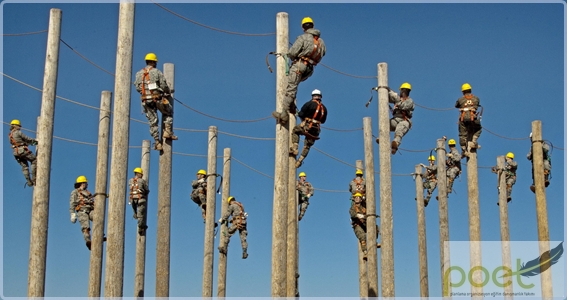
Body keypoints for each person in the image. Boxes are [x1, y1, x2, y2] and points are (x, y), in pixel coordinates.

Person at [272, 17, 326, 125]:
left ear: (303, 27)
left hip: (299, 66)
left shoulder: (303, 38)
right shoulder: (321, 42)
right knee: (294, 85)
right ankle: (291, 105)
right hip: (310, 70)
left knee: (290, 87)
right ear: (312, 26)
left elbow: (292, 53)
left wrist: (289, 56)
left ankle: (283, 113)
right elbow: (323, 53)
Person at [134, 52, 177, 151]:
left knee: (153, 122)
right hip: (157, 98)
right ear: (153, 62)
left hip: (145, 100)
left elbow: (137, 87)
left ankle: (157, 142)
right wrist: (167, 92)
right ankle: (167, 131)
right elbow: (163, 85)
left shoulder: (138, 74)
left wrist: (146, 92)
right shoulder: (156, 72)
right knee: (168, 111)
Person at [290, 89, 328, 168]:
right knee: (307, 146)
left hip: (307, 126)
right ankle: (300, 160)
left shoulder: (309, 104)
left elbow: (301, 114)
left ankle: (295, 148)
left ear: (313, 96)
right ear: (320, 97)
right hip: (316, 130)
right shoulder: (324, 108)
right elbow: (323, 121)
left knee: (295, 130)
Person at [375, 83, 415, 154]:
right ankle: (382, 138)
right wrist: (383, 90)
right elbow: (389, 97)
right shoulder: (398, 98)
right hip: (395, 119)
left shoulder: (410, 101)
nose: (403, 92)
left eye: (405, 91)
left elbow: (404, 106)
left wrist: (397, 103)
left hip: (404, 121)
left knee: (399, 131)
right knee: (385, 123)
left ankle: (395, 144)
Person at [69, 176, 102, 250]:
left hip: (90, 210)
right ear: (82, 183)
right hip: (82, 211)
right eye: (86, 183)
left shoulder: (87, 192)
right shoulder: (75, 192)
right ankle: (88, 241)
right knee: (86, 227)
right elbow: (72, 203)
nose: (87, 184)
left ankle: (99, 235)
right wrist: (72, 213)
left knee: (98, 219)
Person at [349, 192, 380, 260]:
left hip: (365, 223)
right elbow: (352, 214)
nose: (357, 199)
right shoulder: (353, 208)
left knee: (375, 228)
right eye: (356, 198)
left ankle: (374, 242)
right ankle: (365, 252)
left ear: (361, 199)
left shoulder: (364, 205)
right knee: (362, 236)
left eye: (358, 197)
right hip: (357, 225)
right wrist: (358, 215)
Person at [8, 119, 38, 187]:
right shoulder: (18, 132)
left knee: (24, 167)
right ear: (16, 126)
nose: (20, 127)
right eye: (19, 126)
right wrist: (36, 141)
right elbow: (27, 138)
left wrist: (28, 143)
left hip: (16, 152)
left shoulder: (10, 135)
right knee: (34, 160)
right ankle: (34, 178)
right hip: (22, 150)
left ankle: (29, 182)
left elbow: (19, 141)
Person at [455, 83, 481, 157]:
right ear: (470, 90)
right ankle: (474, 141)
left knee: (462, 134)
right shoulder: (476, 98)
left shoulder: (460, 100)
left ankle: (464, 149)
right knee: (478, 129)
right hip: (473, 118)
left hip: (463, 119)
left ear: (463, 92)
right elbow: (477, 105)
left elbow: (456, 105)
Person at [128, 167, 150, 235]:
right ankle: (141, 227)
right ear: (138, 174)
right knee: (141, 214)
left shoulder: (130, 180)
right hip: (140, 199)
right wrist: (146, 192)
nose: (142, 175)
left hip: (132, 199)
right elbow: (146, 189)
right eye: (141, 174)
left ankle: (135, 213)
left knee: (136, 211)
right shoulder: (142, 181)